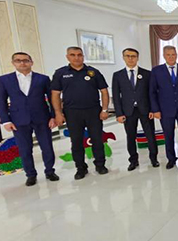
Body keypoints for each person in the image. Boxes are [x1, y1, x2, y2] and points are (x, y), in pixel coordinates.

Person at [51, 46, 109, 180]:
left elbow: (104, 91)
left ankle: (100, 165)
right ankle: (80, 168)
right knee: (76, 142)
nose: (76, 58)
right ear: (67, 57)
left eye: (79, 55)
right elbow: (55, 94)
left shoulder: (93, 72)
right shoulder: (60, 73)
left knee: (97, 139)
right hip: (72, 113)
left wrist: (104, 110)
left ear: (83, 56)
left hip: (93, 111)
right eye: (73, 55)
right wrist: (58, 113)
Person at [0, 52, 58, 186]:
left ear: (31, 62)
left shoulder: (43, 79)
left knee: (47, 147)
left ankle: (50, 171)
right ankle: (31, 175)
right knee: (25, 149)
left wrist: (53, 116)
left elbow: (52, 99)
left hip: (42, 118)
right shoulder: (4, 80)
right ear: (13, 63)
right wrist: (6, 120)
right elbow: (1, 101)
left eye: (26, 60)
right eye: (18, 60)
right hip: (18, 120)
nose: (22, 63)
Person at [112, 48, 159, 171]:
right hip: (128, 111)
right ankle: (133, 161)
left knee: (150, 135)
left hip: (145, 110)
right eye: (127, 56)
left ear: (137, 58)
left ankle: (153, 158)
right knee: (130, 136)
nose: (130, 58)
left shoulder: (147, 74)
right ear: (123, 57)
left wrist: (152, 109)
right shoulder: (118, 75)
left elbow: (152, 93)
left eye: (133, 56)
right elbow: (116, 96)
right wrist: (119, 113)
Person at [150, 45, 178, 169]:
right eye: (168, 55)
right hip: (165, 109)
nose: (171, 57)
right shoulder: (156, 71)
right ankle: (171, 159)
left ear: (176, 55)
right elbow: (152, 92)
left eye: (173, 54)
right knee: (168, 136)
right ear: (164, 56)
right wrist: (155, 109)